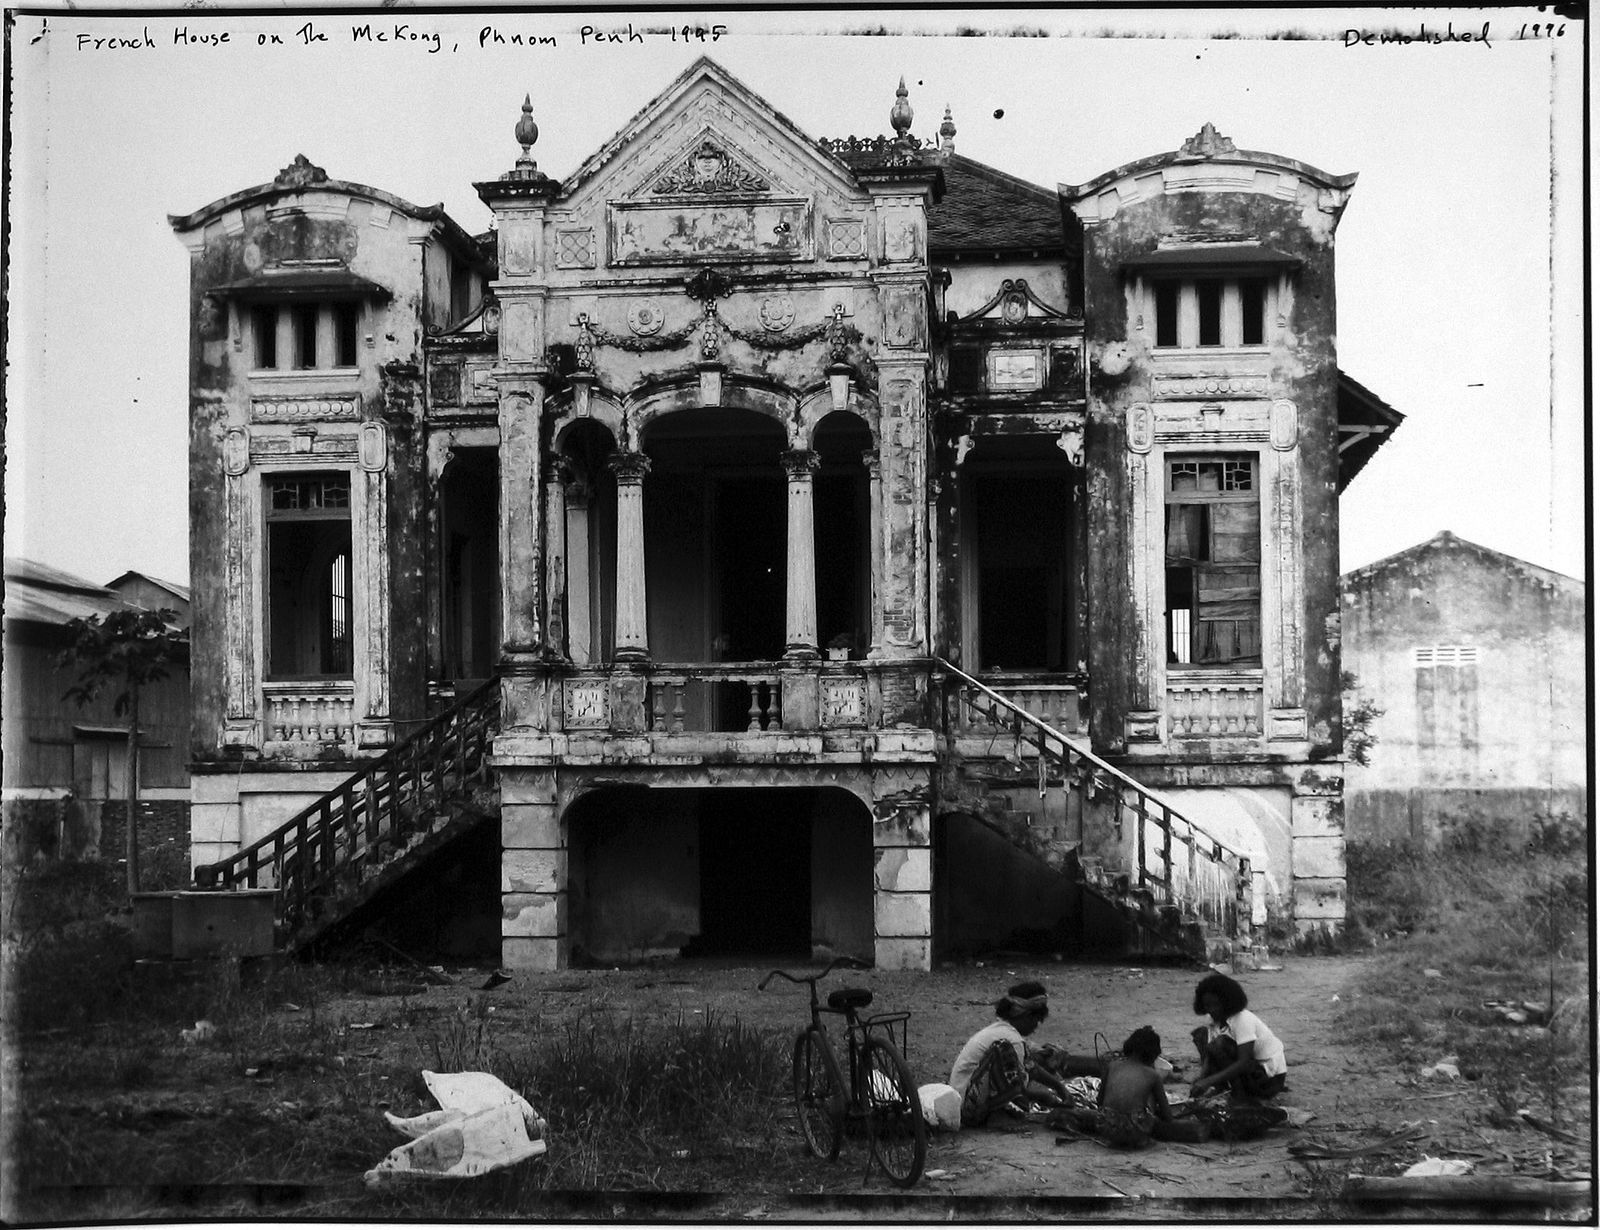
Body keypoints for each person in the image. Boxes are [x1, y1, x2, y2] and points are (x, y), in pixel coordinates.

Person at [948, 980, 1071, 1126]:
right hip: (967, 1109)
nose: (1036, 1026)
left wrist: (1059, 1086)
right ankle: (999, 1117)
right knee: (1004, 1052)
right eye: (1035, 1020)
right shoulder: (1011, 1040)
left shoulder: (1002, 1031)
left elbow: (1032, 1068)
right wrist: (1043, 1096)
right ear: (1024, 1015)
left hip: (962, 1101)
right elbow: (1017, 1086)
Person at [1190, 972, 1287, 1102]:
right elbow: (1209, 1053)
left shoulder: (1242, 1019)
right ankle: (1223, 1087)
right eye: (1207, 1006)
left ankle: (1240, 1095)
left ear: (1227, 1003)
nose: (1211, 1010)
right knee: (1201, 1035)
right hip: (1248, 1070)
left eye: (1215, 1005)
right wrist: (1202, 1078)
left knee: (1220, 1043)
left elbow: (1244, 1062)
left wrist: (1209, 1081)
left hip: (1267, 1079)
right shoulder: (1213, 1020)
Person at [1094, 1025, 1173, 1148]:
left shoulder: (1112, 1066)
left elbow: (1100, 1101)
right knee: (1150, 1095)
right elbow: (1168, 1116)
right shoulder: (1152, 1075)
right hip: (1135, 1132)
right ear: (1153, 1054)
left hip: (1105, 1127)